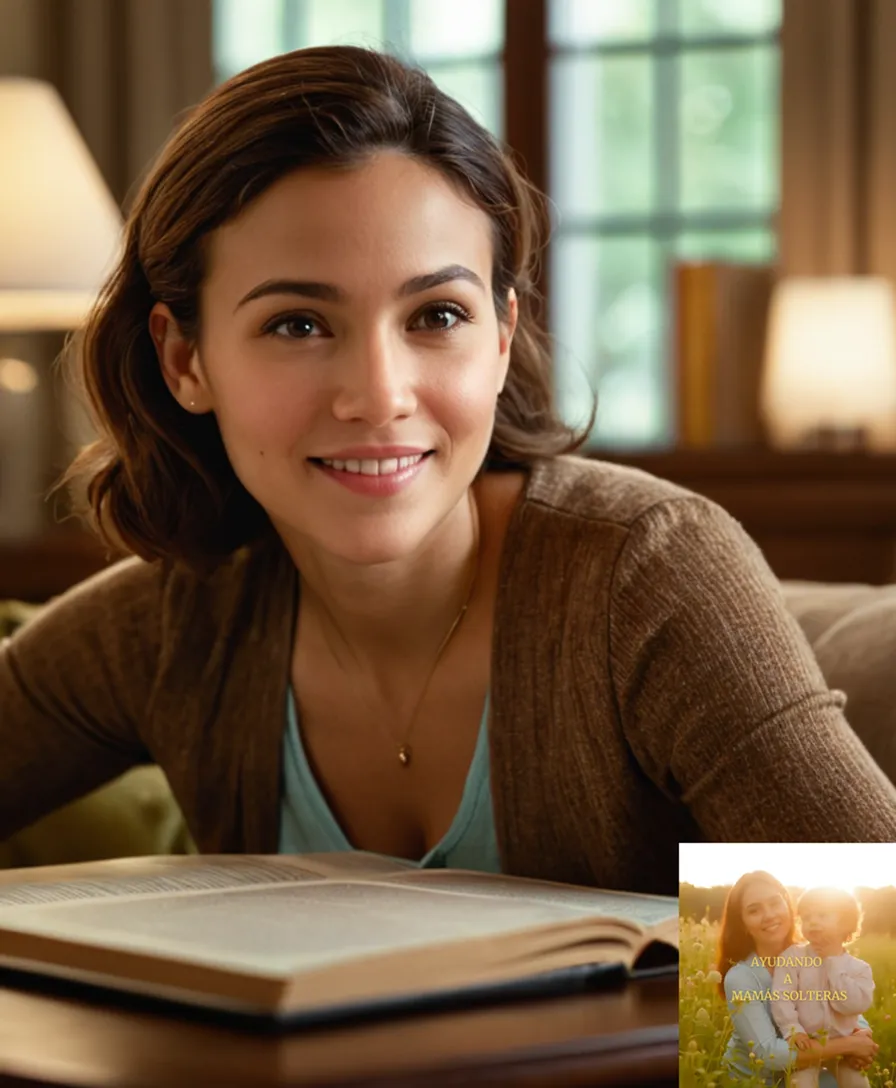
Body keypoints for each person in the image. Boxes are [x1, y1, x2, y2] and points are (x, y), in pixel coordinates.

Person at [1, 47, 896, 895]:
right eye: (298, 325)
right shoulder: (173, 623)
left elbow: (863, 1005)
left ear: (502, 337)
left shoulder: (649, 576)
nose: (379, 395)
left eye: (435, 315)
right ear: (185, 361)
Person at [717, 872, 878, 1085]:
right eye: (754, 910)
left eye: (775, 903)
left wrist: (862, 1033)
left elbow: (838, 1003)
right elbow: (768, 1054)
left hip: (809, 1065)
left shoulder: (815, 953)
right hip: (756, 1080)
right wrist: (849, 1045)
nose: (769, 915)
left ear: (788, 906)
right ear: (743, 923)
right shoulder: (740, 978)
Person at [770, 887, 874, 1088]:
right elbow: (781, 997)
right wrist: (793, 1031)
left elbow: (852, 1005)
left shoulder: (859, 969)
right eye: (806, 917)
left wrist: (833, 962)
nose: (813, 922)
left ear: (845, 923)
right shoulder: (792, 958)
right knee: (801, 1083)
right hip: (808, 1044)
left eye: (822, 915)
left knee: (857, 1083)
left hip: (845, 1049)